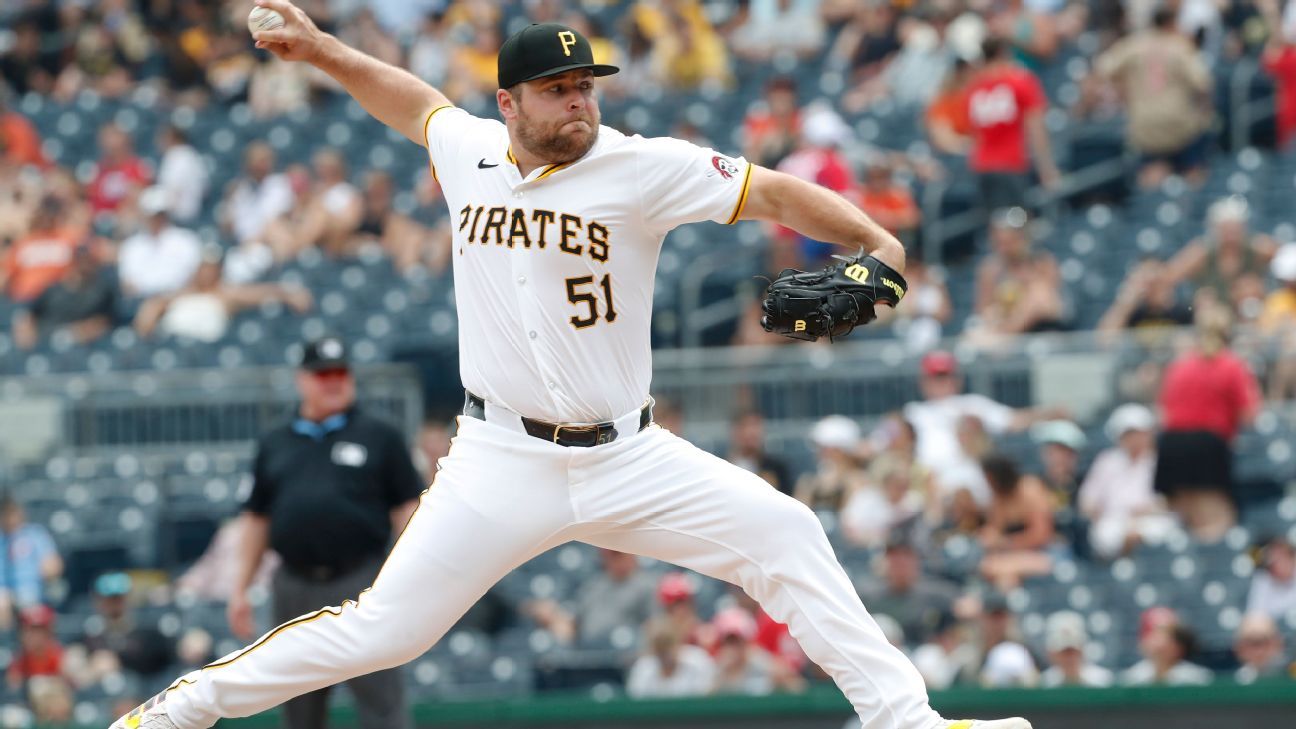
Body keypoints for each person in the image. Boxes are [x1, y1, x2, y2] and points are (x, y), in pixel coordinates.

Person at [113, 7, 1031, 729]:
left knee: (786, 530)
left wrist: (878, 242)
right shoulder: (470, 149)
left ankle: (907, 721)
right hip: (500, 458)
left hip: (629, 454)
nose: (579, 102)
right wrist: (321, 50)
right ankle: (177, 711)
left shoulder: (644, 167)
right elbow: (409, 100)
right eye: (556, 90)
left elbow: (775, 192)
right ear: (508, 104)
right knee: (384, 631)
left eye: (585, 85)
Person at [222, 336, 422, 729]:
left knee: (382, 701)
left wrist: (408, 579)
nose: (333, 381)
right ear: (302, 380)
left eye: (340, 373)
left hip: (361, 582)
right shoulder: (275, 441)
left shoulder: (380, 435)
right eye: (323, 374)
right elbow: (257, 519)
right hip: (293, 585)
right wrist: (239, 589)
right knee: (299, 708)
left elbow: (408, 511)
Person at [1155, 311, 1261, 541]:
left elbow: (1163, 410)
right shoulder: (1232, 364)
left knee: (1186, 518)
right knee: (1216, 519)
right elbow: (1250, 414)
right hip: (1207, 443)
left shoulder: (1180, 365)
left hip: (1172, 444)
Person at [903, 350, 1059, 506]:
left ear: (957, 379)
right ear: (923, 381)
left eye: (945, 376)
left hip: (973, 481)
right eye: (936, 377)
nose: (941, 382)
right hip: (930, 483)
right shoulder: (913, 412)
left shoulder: (973, 405)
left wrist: (1050, 413)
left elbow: (1012, 420)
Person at [1094, 7, 1213, 188]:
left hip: (1145, 126)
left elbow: (1103, 68)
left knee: (1152, 180)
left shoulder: (1134, 44)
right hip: (1179, 124)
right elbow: (1203, 82)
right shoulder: (1180, 45)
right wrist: (1204, 112)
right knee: (1193, 173)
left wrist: (1124, 87)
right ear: (1171, 23)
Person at [964, 37, 1060, 213]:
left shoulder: (974, 88)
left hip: (982, 165)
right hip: (1010, 163)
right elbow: (1036, 128)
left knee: (996, 221)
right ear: (1003, 53)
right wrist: (1047, 169)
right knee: (1016, 221)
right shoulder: (1020, 81)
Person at [133, 249, 313, 342]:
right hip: (172, 339)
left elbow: (259, 293)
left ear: (219, 270)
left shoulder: (226, 293)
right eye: (204, 266)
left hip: (204, 349)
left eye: (212, 267)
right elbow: (153, 305)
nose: (207, 272)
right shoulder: (181, 293)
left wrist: (289, 293)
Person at [1078, 404, 1176, 559]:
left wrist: (1150, 509)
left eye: (1139, 433)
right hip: (1114, 523)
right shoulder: (1107, 461)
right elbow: (1087, 501)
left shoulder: (1163, 460)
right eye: (1129, 434)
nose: (1134, 439)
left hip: (1155, 521)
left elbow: (1175, 501)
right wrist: (1096, 512)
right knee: (1105, 534)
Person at [1165, 196, 1277, 317]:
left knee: (1250, 290)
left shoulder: (1258, 248)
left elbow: (1285, 261)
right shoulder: (1201, 253)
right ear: (1215, 230)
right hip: (1213, 315)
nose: (1231, 236)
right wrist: (1195, 298)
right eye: (1226, 230)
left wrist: (1261, 288)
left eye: (1235, 230)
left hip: (1249, 313)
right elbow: (1169, 276)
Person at [967, 207, 1065, 344]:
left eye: (1010, 242)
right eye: (1000, 243)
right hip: (1003, 321)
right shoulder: (990, 269)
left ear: (1022, 239)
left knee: (1038, 294)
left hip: (1041, 324)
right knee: (979, 327)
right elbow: (983, 310)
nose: (1005, 248)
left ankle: (1003, 338)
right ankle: (1000, 339)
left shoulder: (1042, 262)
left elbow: (1047, 301)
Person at [524, 549, 656, 647]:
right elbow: (574, 621)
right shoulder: (594, 585)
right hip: (588, 654)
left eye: (618, 553)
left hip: (626, 656)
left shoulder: (647, 585)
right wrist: (555, 617)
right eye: (608, 554)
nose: (613, 559)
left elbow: (654, 625)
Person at [855, 538, 959, 646]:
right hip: (883, 651)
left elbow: (963, 606)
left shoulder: (935, 592)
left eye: (905, 557)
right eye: (895, 558)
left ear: (915, 561)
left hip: (922, 651)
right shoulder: (869, 594)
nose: (900, 563)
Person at [11, 245, 116, 350]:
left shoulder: (101, 291)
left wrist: (78, 331)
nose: (84, 266)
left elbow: (106, 321)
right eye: (80, 261)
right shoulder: (53, 289)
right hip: (47, 339)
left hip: (82, 343)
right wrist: (26, 332)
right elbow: (27, 314)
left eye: (88, 261)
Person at [978, 454, 1058, 590]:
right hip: (1014, 555)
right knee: (1001, 575)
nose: (988, 484)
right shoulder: (998, 498)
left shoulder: (1030, 489)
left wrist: (1006, 543)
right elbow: (994, 531)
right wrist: (990, 537)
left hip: (1048, 552)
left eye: (990, 479)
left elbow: (1042, 535)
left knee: (997, 568)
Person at [117, 187, 203, 300]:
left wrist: (164, 300)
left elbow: (194, 279)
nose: (156, 219)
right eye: (152, 215)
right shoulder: (132, 245)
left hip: (176, 298)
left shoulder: (186, 240)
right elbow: (127, 284)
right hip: (139, 299)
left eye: (159, 214)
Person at [0, 496, 63, 627]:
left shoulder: (35, 534)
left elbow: (53, 565)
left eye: (12, 512)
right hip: (4, 593)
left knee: (27, 601)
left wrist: (50, 569)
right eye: (5, 514)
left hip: (33, 591)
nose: (9, 518)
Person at [626, 618, 716, 699]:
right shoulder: (643, 668)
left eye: (667, 643)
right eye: (658, 646)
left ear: (678, 642)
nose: (664, 651)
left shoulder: (698, 660)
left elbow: (707, 698)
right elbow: (636, 702)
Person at [1120, 609, 1212, 686]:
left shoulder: (1197, 679)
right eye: (1154, 635)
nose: (1158, 643)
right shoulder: (1132, 678)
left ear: (1180, 646)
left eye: (1168, 637)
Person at [727, 409, 793, 496]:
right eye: (745, 426)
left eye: (756, 425)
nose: (751, 432)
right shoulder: (723, 468)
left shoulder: (777, 469)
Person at [1039, 611, 1113, 688]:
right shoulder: (1044, 683)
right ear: (1052, 653)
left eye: (1073, 651)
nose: (1069, 658)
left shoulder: (1103, 681)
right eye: (1064, 653)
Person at [153, 125, 208, 224]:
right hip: (190, 211)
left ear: (172, 139)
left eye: (163, 138)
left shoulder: (178, 155)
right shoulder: (192, 155)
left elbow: (174, 191)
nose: (160, 142)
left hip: (179, 214)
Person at [1246, 536, 1296, 619]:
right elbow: (1255, 616)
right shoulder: (1264, 582)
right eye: (1270, 566)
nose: (1278, 564)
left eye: (1278, 557)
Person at [1233, 613, 1290, 684]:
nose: (1259, 651)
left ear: (1277, 644)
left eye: (1265, 642)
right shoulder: (1230, 678)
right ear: (1239, 647)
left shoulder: (1290, 674)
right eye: (1253, 643)